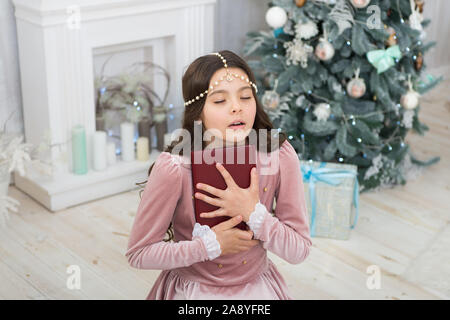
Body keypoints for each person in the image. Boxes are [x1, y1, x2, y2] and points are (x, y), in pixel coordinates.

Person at [125, 50, 312, 299]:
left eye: (245, 97)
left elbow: (299, 251)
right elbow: (139, 254)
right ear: (198, 110)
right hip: (193, 293)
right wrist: (208, 246)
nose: (237, 108)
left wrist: (255, 215)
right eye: (220, 101)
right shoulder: (175, 167)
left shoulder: (278, 155)